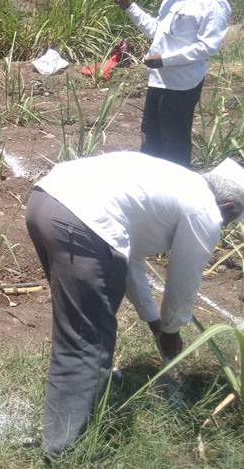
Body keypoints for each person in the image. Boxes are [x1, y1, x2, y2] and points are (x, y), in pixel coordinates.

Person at [25, 152, 244, 458]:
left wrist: (154, 320)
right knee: (85, 343)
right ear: (229, 207)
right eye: (231, 220)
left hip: (46, 202)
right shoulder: (205, 211)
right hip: (81, 222)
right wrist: (170, 330)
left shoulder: (179, 184)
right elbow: (183, 281)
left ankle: (89, 390)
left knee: (85, 322)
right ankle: (64, 453)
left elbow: (129, 259)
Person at [111, 0, 230, 168]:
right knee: (151, 142)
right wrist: (130, 7)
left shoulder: (212, 2)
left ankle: (176, 197)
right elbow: (157, 30)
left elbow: (208, 47)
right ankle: (151, 192)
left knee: (174, 147)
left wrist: (165, 60)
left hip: (180, 86)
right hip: (158, 80)